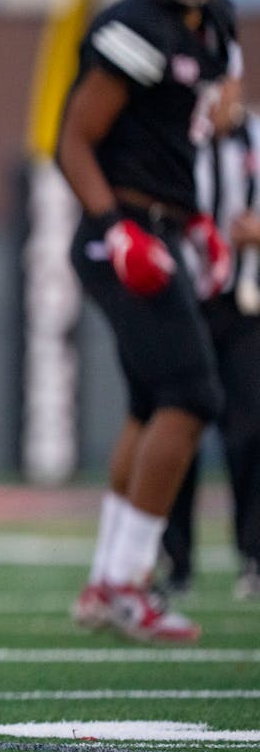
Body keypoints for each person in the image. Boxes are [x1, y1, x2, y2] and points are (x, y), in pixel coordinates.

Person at [55, 0, 242, 643]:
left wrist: (202, 222)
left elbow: (184, 137)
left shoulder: (217, 26)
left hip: (165, 224)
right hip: (121, 228)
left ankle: (107, 582)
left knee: (147, 404)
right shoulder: (131, 28)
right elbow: (72, 141)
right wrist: (116, 229)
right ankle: (125, 581)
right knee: (193, 394)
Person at [159, 107, 260, 601]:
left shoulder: (256, 138)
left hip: (245, 303)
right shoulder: (172, 133)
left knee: (250, 429)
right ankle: (176, 561)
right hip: (185, 301)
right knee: (179, 423)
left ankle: (254, 556)